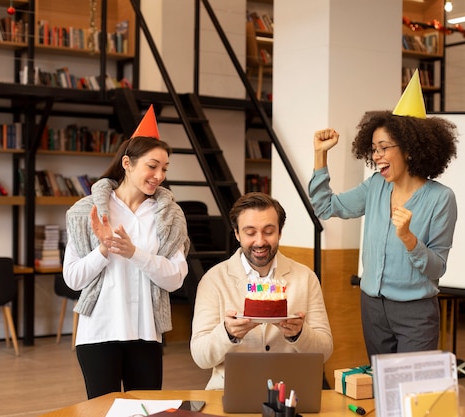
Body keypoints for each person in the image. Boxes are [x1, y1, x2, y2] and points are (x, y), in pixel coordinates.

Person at [308, 70, 458, 359]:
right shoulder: (376, 185)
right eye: (373, 149)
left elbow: (437, 267)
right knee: (381, 387)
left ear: (411, 150)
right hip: (372, 306)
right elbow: (326, 207)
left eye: (384, 148)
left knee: (410, 393)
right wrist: (320, 155)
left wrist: (409, 239)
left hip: (415, 312)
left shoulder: (441, 198)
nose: (376, 156)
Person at [63, 107, 190, 399]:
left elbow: (175, 280)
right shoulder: (86, 212)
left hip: (146, 334)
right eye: (152, 166)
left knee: (145, 409)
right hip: (97, 334)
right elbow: (72, 279)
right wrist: (104, 249)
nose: (159, 175)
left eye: (165, 168)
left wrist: (134, 253)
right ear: (127, 164)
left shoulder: (170, 216)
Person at [190, 192, 333, 390]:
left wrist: (300, 334)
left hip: (291, 392)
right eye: (250, 233)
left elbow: (325, 351)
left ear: (280, 232)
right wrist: (227, 333)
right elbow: (200, 357)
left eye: (268, 231)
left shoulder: (305, 278)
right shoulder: (213, 280)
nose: (259, 242)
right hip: (229, 389)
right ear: (237, 233)